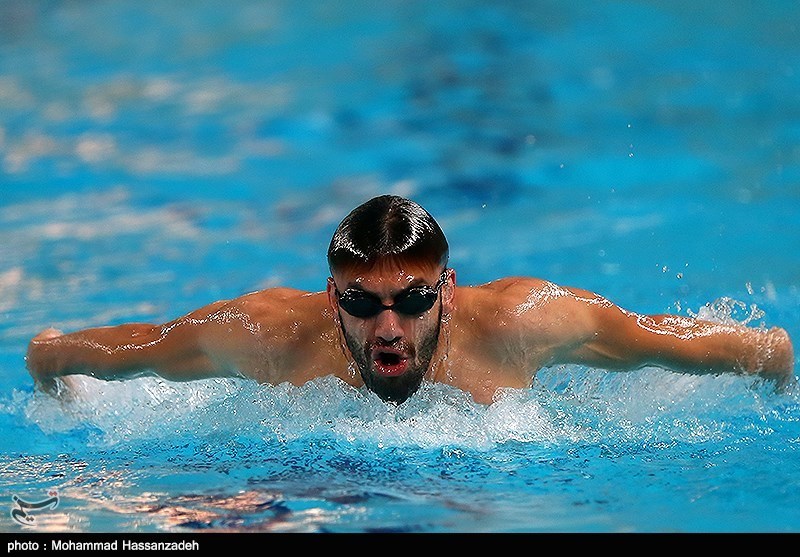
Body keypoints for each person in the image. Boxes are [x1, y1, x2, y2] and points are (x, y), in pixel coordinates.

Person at [26, 194, 795, 404]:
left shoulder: (525, 323)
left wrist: (769, 359)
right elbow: (129, 349)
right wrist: (52, 364)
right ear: (332, 300)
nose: (386, 326)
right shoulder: (265, 333)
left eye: (412, 299)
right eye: (361, 305)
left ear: (448, 293)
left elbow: (668, 337)